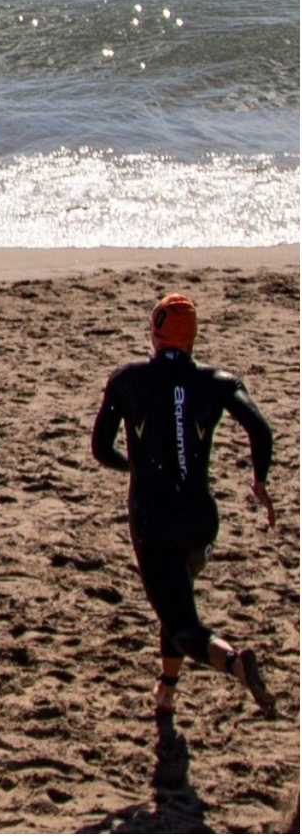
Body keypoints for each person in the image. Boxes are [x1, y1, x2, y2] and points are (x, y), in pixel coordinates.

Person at [91, 293, 277, 718]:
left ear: (154, 332)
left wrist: (132, 467)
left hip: (153, 521)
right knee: (174, 596)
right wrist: (259, 482)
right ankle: (167, 690)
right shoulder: (219, 382)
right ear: (193, 336)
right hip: (200, 521)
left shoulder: (127, 379)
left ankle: (233, 662)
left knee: (182, 625)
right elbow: (261, 430)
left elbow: (101, 449)